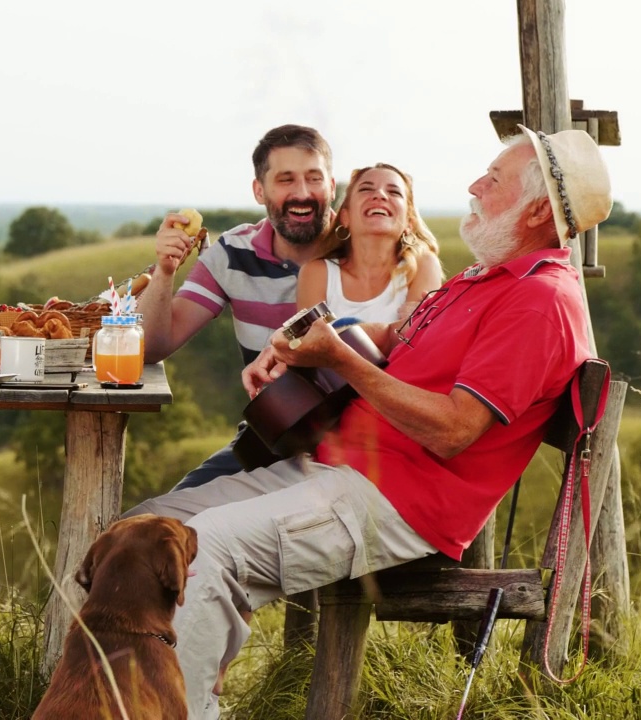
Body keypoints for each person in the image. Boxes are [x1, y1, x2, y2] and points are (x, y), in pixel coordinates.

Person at [129, 125, 613, 717]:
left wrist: (339, 360)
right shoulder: (481, 278)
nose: (473, 185)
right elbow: (396, 334)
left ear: (537, 208)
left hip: (392, 498)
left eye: (493, 178)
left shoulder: (540, 303)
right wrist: (303, 344)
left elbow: (453, 429)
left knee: (204, 550)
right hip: (331, 464)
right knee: (134, 536)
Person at [137, 124, 338, 490]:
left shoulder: (364, 248)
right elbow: (152, 346)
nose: (303, 193)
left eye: (314, 178)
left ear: (332, 186)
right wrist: (165, 271)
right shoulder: (232, 253)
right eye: (286, 180)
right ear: (259, 190)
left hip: (358, 446)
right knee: (157, 529)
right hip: (270, 437)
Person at [297, 163, 443, 326]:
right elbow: (312, 345)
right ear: (346, 217)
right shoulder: (317, 273)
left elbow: (413, 344)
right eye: (366, 189)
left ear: (409, 223)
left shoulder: (422, 266)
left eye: (394, 192)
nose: (380, 195)